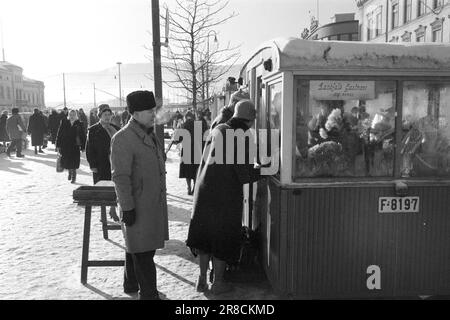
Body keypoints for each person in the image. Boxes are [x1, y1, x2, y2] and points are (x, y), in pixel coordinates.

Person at [186, 100, 265, 295]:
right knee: (223, 237)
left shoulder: (218, 128)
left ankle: (202, 278)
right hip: (225, 196)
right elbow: (244, 174)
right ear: (251, 119)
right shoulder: (242, 136)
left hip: (204, 190)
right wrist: (265, 171)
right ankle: (218, 282)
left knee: (205, 236)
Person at [111, 90, 169, 300]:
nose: (153, 114)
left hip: (150, 202)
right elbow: (121, 177)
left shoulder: (148, 133)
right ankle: (149, 294)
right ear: (134, 113)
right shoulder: (123, 138)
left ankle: (130, 283)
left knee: (137, 245)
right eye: (148, 111)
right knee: (143, 252)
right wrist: (127, 208)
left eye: (154, 110)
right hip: (137, 204)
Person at [172, 111, 199, 195]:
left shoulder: (183, 125)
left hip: (186, 149)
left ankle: (189, 187)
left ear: (186, 117)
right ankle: (195, 187)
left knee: (187, 170)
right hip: (197, 150)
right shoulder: (198, 125)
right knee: (195, 170)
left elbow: (178, 139)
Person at [56, 109, 86, 183]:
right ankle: (70, 172)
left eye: (73, 115)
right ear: (68, 115)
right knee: (67, 160)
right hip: (65, 145)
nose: (72, 116)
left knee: (74, 161)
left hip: (74, 146)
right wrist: (58, 145)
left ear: (76, 115)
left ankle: (73, 176)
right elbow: (59, 134)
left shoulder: (79, 123)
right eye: (70, 115)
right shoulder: (64, 122)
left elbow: (83, 135)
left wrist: (83, 147)